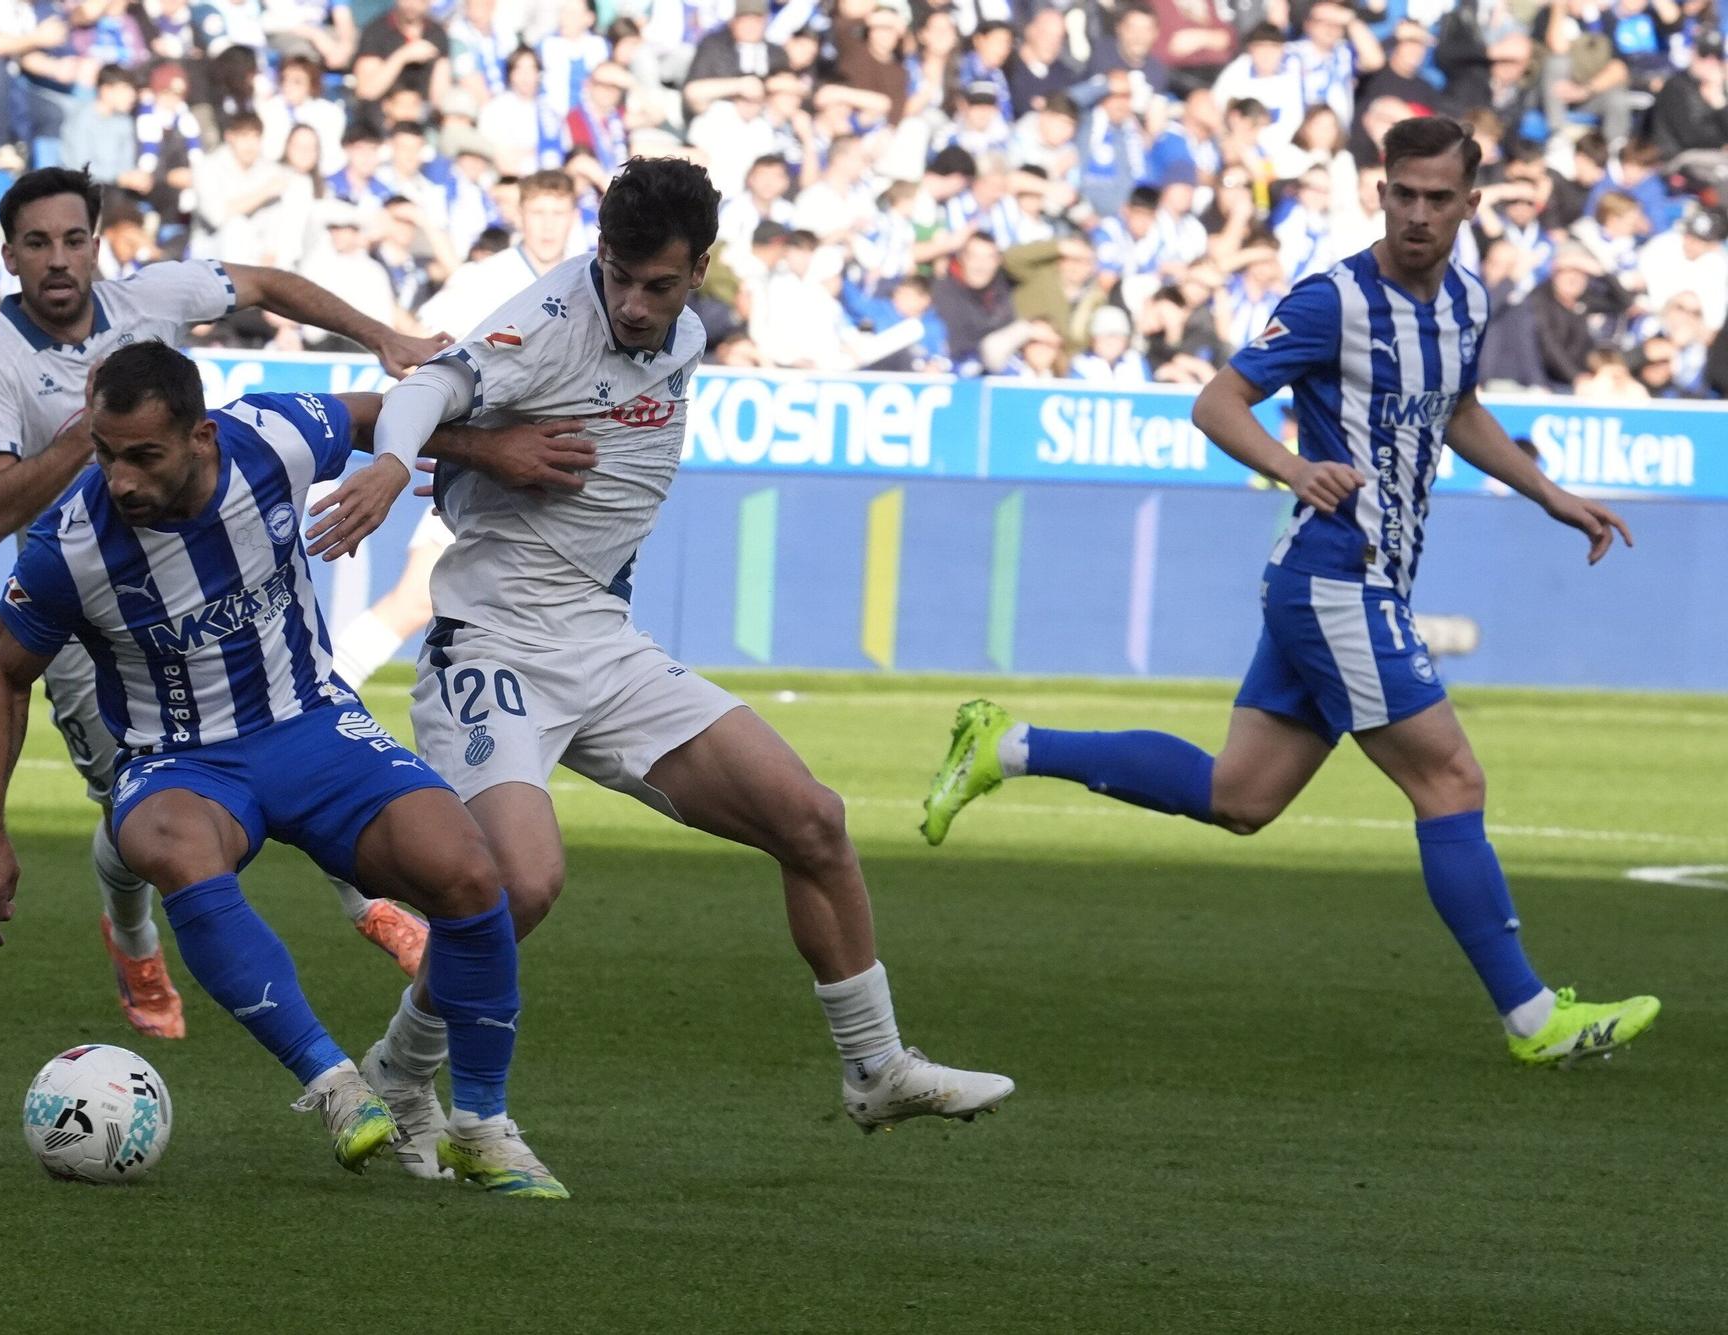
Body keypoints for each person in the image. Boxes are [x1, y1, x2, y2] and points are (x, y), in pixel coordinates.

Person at [920, 117, 1659, 1069]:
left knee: (1242, 795)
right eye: (1404, 194)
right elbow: (1216, 400)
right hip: (1337, 577)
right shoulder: (1334, 300)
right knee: (1451, 779)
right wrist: (1293, 469)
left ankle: (1006, 745)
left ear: (1472, 205)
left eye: (1440, 198)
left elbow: (1460, 410)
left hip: (1355, 580)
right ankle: (1531, 1018)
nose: (1419, 214)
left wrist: (1550, 494)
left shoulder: (1468, 300)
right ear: (1379, 192)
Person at [334, 156, 1014, 1176]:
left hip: (602, 642)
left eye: (658, 284)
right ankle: (402, 1065)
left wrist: (494, 453)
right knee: (518, 886)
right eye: (616, 276)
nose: (633, 304)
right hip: (494, 641)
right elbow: (428, 386)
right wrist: (414, 463)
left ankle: (874, 1068)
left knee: (811, 820)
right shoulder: (550, 320)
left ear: (698, 270)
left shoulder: (688, 332)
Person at [0, 340, 563, 1195]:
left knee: (469, 873)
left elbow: (377, 408)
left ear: (201, 435)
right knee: (170, 843)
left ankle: (484, 1126)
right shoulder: (70, 544)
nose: (118, 479)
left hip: (314, 725)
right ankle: (333, 1082)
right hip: (180, 762)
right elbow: (3, 676)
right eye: (103, 452)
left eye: (142, 456)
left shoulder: (271, 434)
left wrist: (475, 450)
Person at [0, 167, 451, 1042]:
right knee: (140, 814)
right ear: (11, 256)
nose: (59, 260)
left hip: (205, 565)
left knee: (294, 731)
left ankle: (369, 902)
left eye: (74, 239)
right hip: (90, 615)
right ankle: (135, 939)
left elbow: (265, 283)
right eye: (38, 243)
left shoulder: (149, 297)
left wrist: (384, 334)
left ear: (98, 243)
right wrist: (87, 437)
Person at [329, 169, 590, 689]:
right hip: (482, 466)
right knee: (415, 598)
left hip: (549, 470)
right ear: (519, 214)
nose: (546, 225)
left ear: (573, 216)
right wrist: (465, 441)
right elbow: (425, 355)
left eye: (557, 213)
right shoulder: (483, 279)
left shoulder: (592, 281)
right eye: (537, 212)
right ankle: (325, 689)